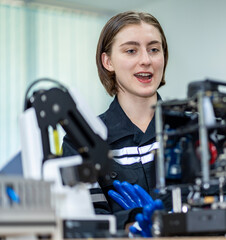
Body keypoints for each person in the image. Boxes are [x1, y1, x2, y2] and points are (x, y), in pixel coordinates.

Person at [61, 11, 169, 230]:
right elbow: (86, 222)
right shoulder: (83, 141)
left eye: (154, 49)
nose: (146, 60)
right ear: (108, 61)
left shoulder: (194, 129)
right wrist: (131, 225)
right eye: (131, 50)